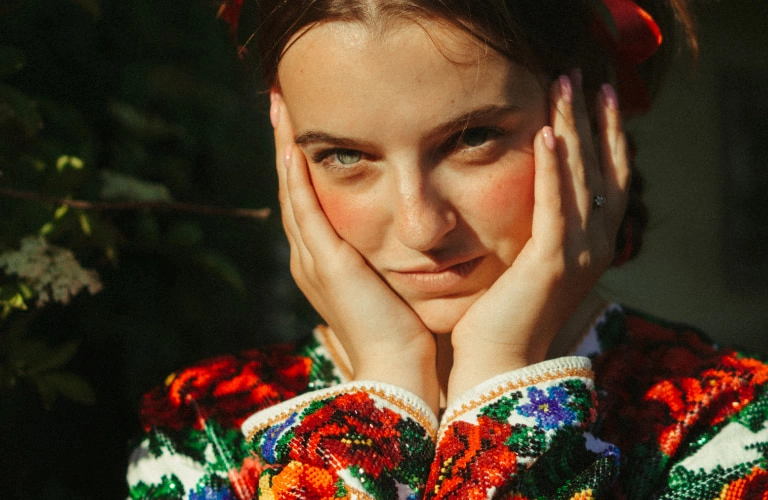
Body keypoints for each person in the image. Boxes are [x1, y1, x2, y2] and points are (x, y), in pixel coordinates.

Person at [126, 0, 768, 498]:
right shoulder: (203, 427)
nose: (420, 226)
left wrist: (503, 369)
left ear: (590, 134)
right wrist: (382, 389)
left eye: (473, 138)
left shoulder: (727, 424)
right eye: (345, 155)